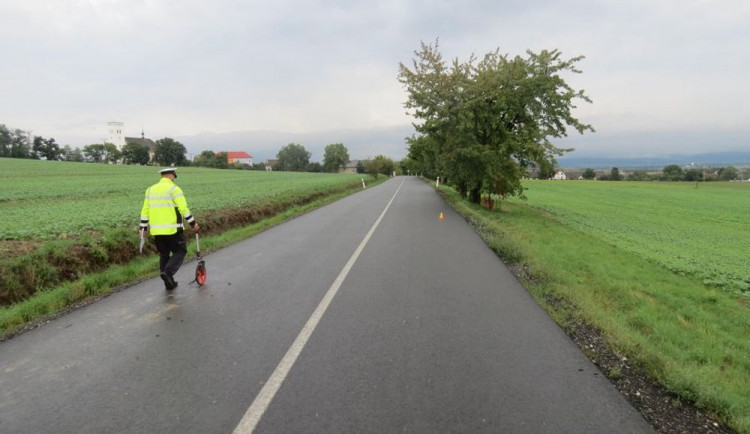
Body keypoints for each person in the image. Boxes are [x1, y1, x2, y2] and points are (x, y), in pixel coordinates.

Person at [140, 167, 200, 290]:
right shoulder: (174, 189)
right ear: (171, 175)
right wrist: (193, 223)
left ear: (162, 176)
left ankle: (169, 282)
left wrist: (143, 227)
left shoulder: (150, 190)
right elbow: (183, 208)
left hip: (157, 230)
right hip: (173, 229)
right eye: (174, 175)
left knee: (164, 254)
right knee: (180, 251)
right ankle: (167, 273)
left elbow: (145, 210)